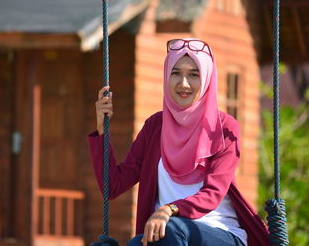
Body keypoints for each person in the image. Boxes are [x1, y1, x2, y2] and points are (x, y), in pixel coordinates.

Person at [87, 38, 270, 246]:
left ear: (208, 78)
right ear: (166, 76)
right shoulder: (155, 126)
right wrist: (103, 130)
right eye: (176, 73)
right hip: (167, 234)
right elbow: (113, 185)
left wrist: (169, 209)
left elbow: (213, 193)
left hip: (220, 233)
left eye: (194, 74)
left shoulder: (225, 127)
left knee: (173, 227)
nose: (184, 84)